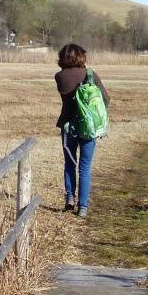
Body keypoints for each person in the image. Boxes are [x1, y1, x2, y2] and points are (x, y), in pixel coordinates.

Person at [55, 43, 109, 218]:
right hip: (89, 128)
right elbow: (106, 100)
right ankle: (83, 207)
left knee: (70, 164)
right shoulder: (90, 74)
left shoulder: (59, 77)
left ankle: (70, 197)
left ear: (63, 58)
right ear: (81, 57)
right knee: (85, 168)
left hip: (68, 126)